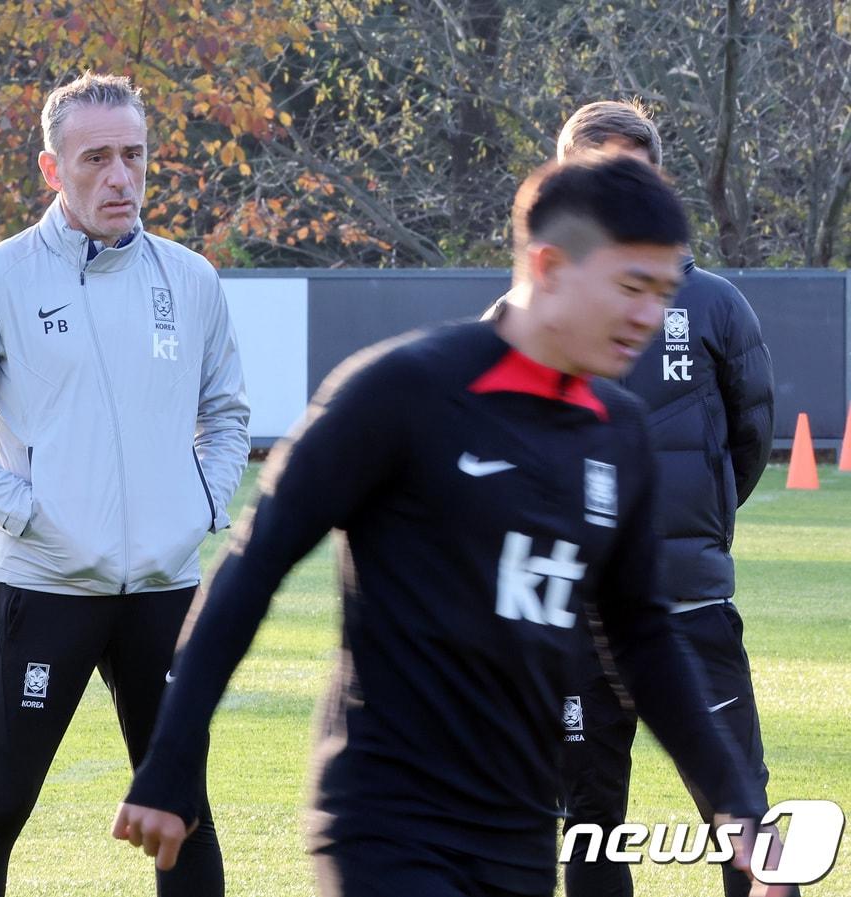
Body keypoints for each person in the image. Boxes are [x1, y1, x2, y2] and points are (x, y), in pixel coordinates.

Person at [112, 154, 787, 897]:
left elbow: (644, 639)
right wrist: (173, 754)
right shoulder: (401, 390)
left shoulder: (618, 434)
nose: (648, 317)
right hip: (387, 820)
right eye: (631, 286)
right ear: (549, 265)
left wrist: (739, 805)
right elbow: (254, 564)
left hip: (521, 832)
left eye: (661, 293)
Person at [0, 72, 248, 896]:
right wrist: (29, 513)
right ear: (51, 168)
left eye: (133, 156)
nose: (119, 177)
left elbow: (228, 413)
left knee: (183, 812)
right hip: (44, 586)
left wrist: (202, 504)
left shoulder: (192, 280)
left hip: (167, 590)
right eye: (96, 157)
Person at [548, 100, 779, 897]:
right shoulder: (528, 315)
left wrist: (696, 523)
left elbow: (750, 437)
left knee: (741, 812)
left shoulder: (714, 304)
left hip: (688, 605)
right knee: (589, 823)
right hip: (574, 614)